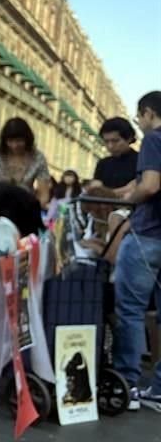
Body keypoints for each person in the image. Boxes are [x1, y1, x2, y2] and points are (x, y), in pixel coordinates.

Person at [114, 91, 161, 412]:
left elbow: (149, 185)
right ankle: (158, 389)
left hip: (148, 235)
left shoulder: (154, 140)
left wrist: (125, 203)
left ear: (147, 114)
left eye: (138, 117)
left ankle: (126, 383)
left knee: (129, 310)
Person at [0, 117, 52, 206]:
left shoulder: (38, 158)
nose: (14, 145)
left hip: (24, 206)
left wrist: (35, 208)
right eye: (10, 141)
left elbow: (44, 194)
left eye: (19, 141)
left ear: (27, 139)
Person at [90, 117, 139, 194]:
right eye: (106, 141)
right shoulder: (103, 163)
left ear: (129, 138)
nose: (110, 146)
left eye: (115, 141)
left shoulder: (141, 161)